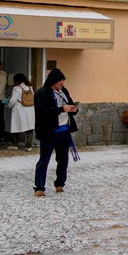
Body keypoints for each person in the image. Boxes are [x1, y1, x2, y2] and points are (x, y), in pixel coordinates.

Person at [33, 68, 78, 196]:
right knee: (44, 160)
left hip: (64, 131)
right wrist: (61, 109)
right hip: (49, 131)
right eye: (60, 83)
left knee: (63, 159)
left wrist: (73, 109)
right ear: (53, 82)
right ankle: (39, 187)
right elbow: (43, 111)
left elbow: (69, 103)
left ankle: (60, 183)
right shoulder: (41, 93)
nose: (62, 86)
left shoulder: (64, 91)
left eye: (62, 83)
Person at [6, 72, 36, 151]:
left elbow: (13, 100)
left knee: (16, 126)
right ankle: (29, 146)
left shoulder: (17, 88)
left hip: (19, 109)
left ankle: (15, 144)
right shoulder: (30, 87)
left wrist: (8, 105)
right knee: (30, 128)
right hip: (30, 109)